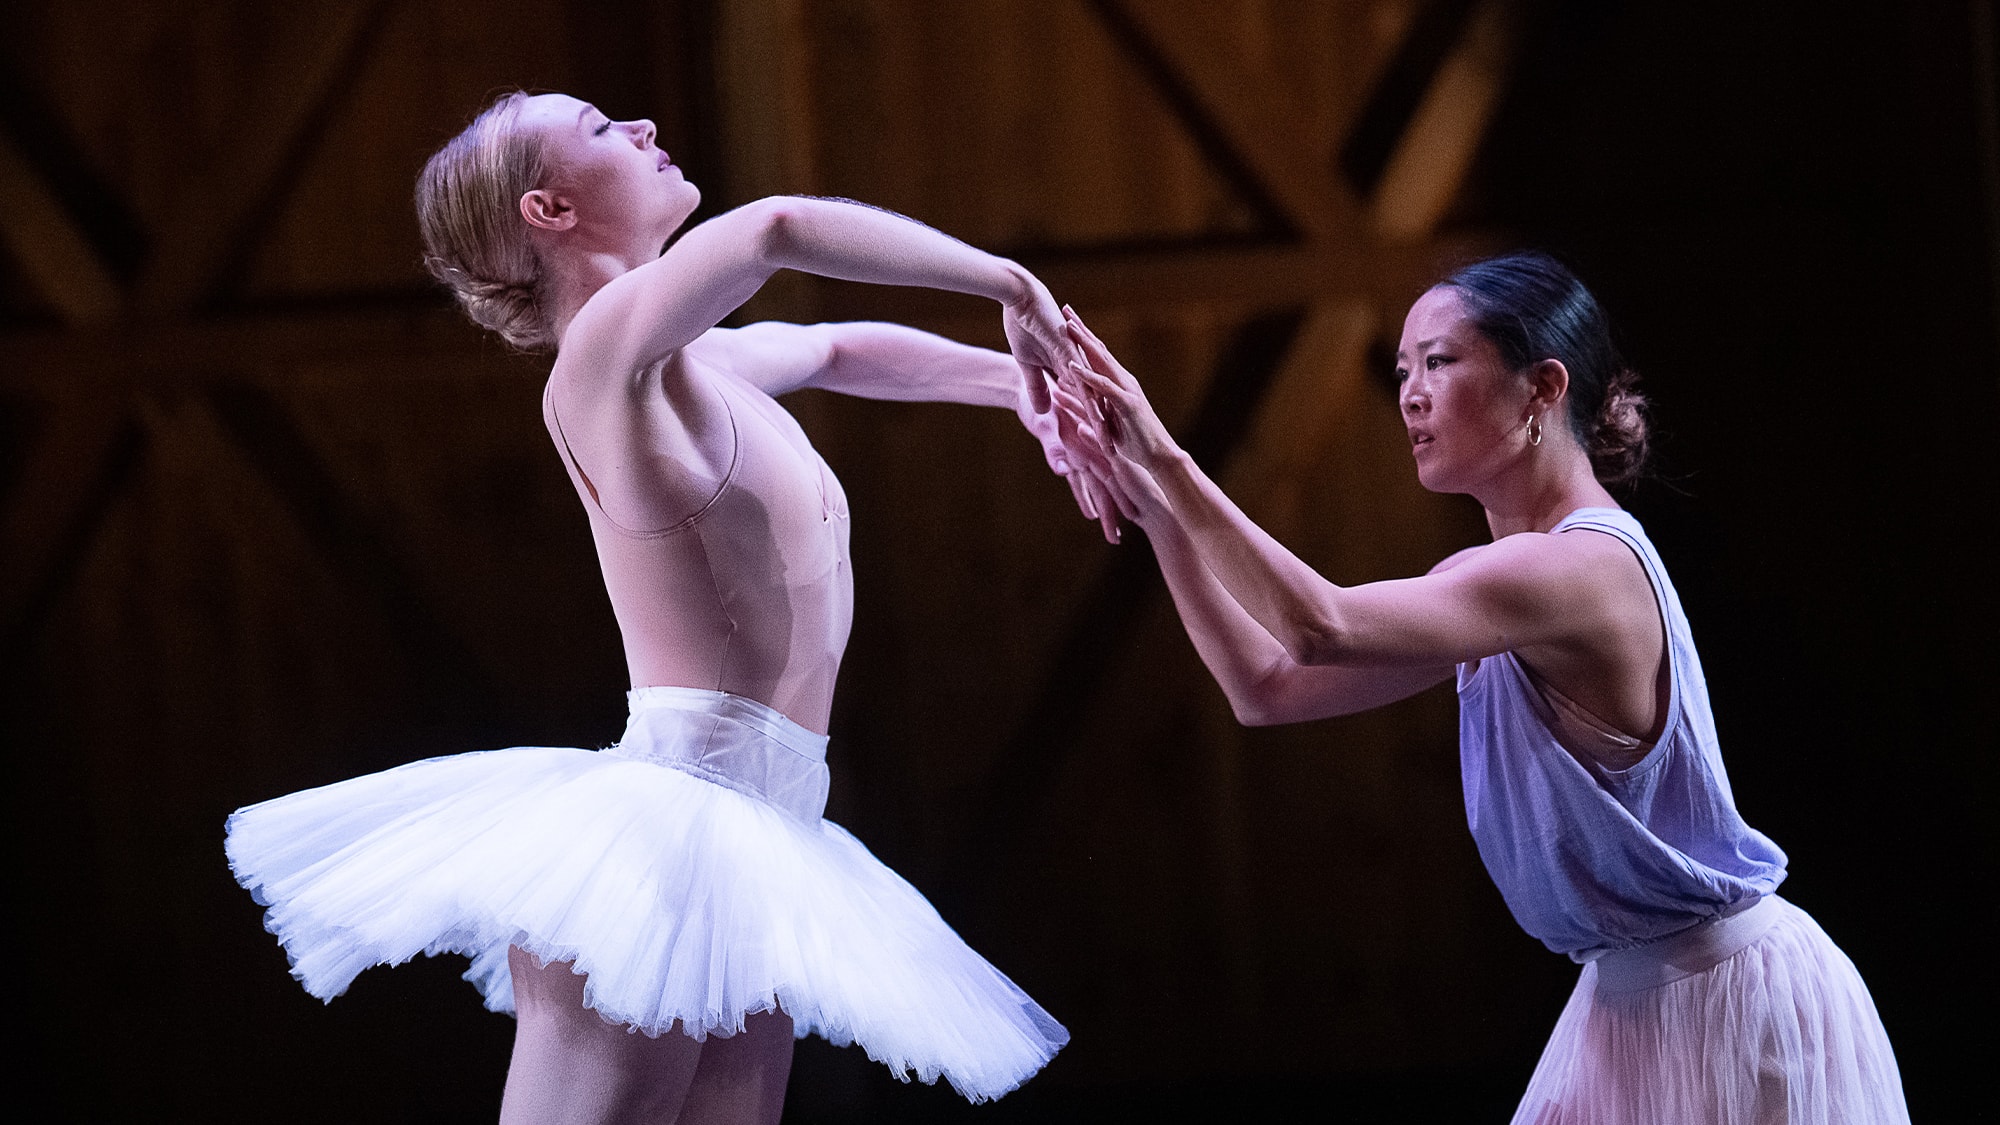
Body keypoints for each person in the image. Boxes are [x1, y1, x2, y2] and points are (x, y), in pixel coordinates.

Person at [225, 90, 1108, 1123]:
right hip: (670, 834)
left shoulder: (705, 363)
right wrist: (1011, 284)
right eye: (601, 131)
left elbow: (836, 351)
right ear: (549, 211)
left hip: (764, 833)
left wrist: (1027, 392)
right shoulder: (599, 360)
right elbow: (776, 228)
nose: (641, 128)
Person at [1053, 252, 1908, 1124]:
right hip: (1628, 1002)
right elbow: (1266, 684)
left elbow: (1322, 622)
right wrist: (1152, 502)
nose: (1411, 393)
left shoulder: (1580, 567)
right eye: (1402, 369)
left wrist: (1166, 457)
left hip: (1724, 999)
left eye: (1440, 360)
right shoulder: (1495, 586)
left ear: (1542, 386)